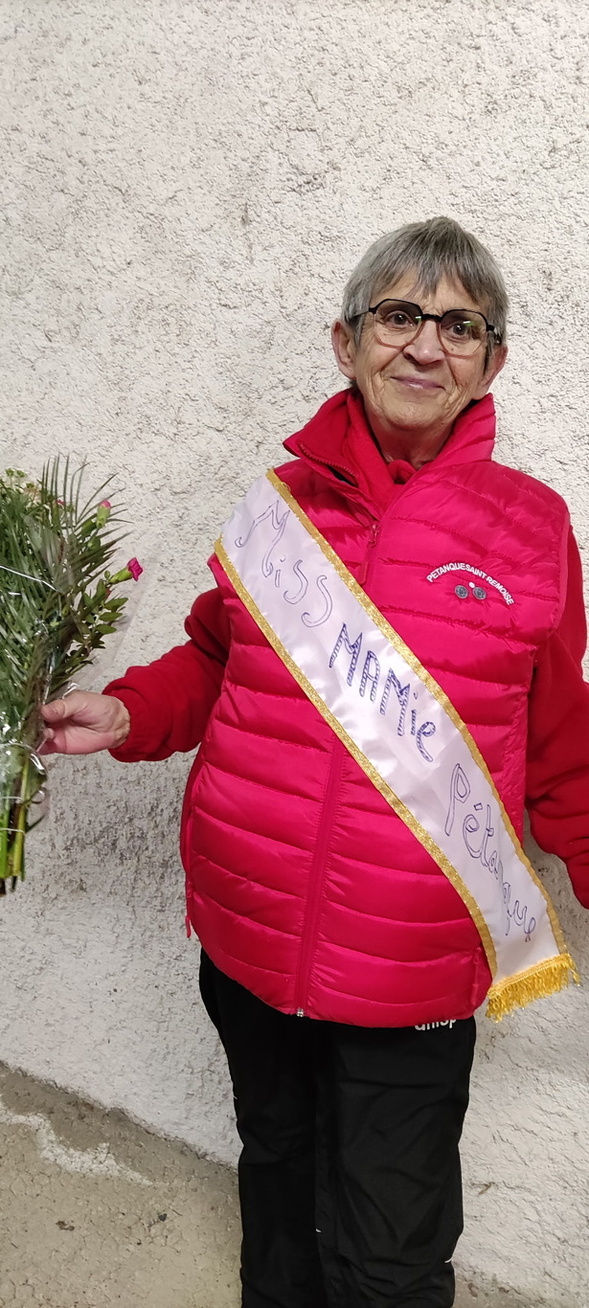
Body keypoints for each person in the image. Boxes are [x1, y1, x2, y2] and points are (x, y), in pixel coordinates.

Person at [41, 217, 589, 1308]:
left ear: (493, 360)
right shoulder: (281, 507)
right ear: (346, 342)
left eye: (459, 326)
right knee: (280, 1182)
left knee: (390, 1246)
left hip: (409, 974)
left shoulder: (531, 531)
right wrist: (127, 710)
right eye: (398, 315)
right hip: (246, 943)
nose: (425, 347)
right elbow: (211, 653)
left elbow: (562, 747)